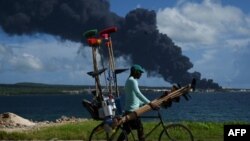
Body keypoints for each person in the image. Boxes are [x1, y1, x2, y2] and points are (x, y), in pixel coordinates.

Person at [118, 64, 158, 141]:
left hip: (129, 110)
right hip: (132, 112)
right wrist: (150, 103)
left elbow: (134, 97)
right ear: (135, 72)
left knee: (126, 131)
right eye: (140, 72)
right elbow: (138, 93)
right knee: (140, 129)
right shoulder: (132, 81)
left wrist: (142, 103)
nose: (141, 74)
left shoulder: (129, 80)